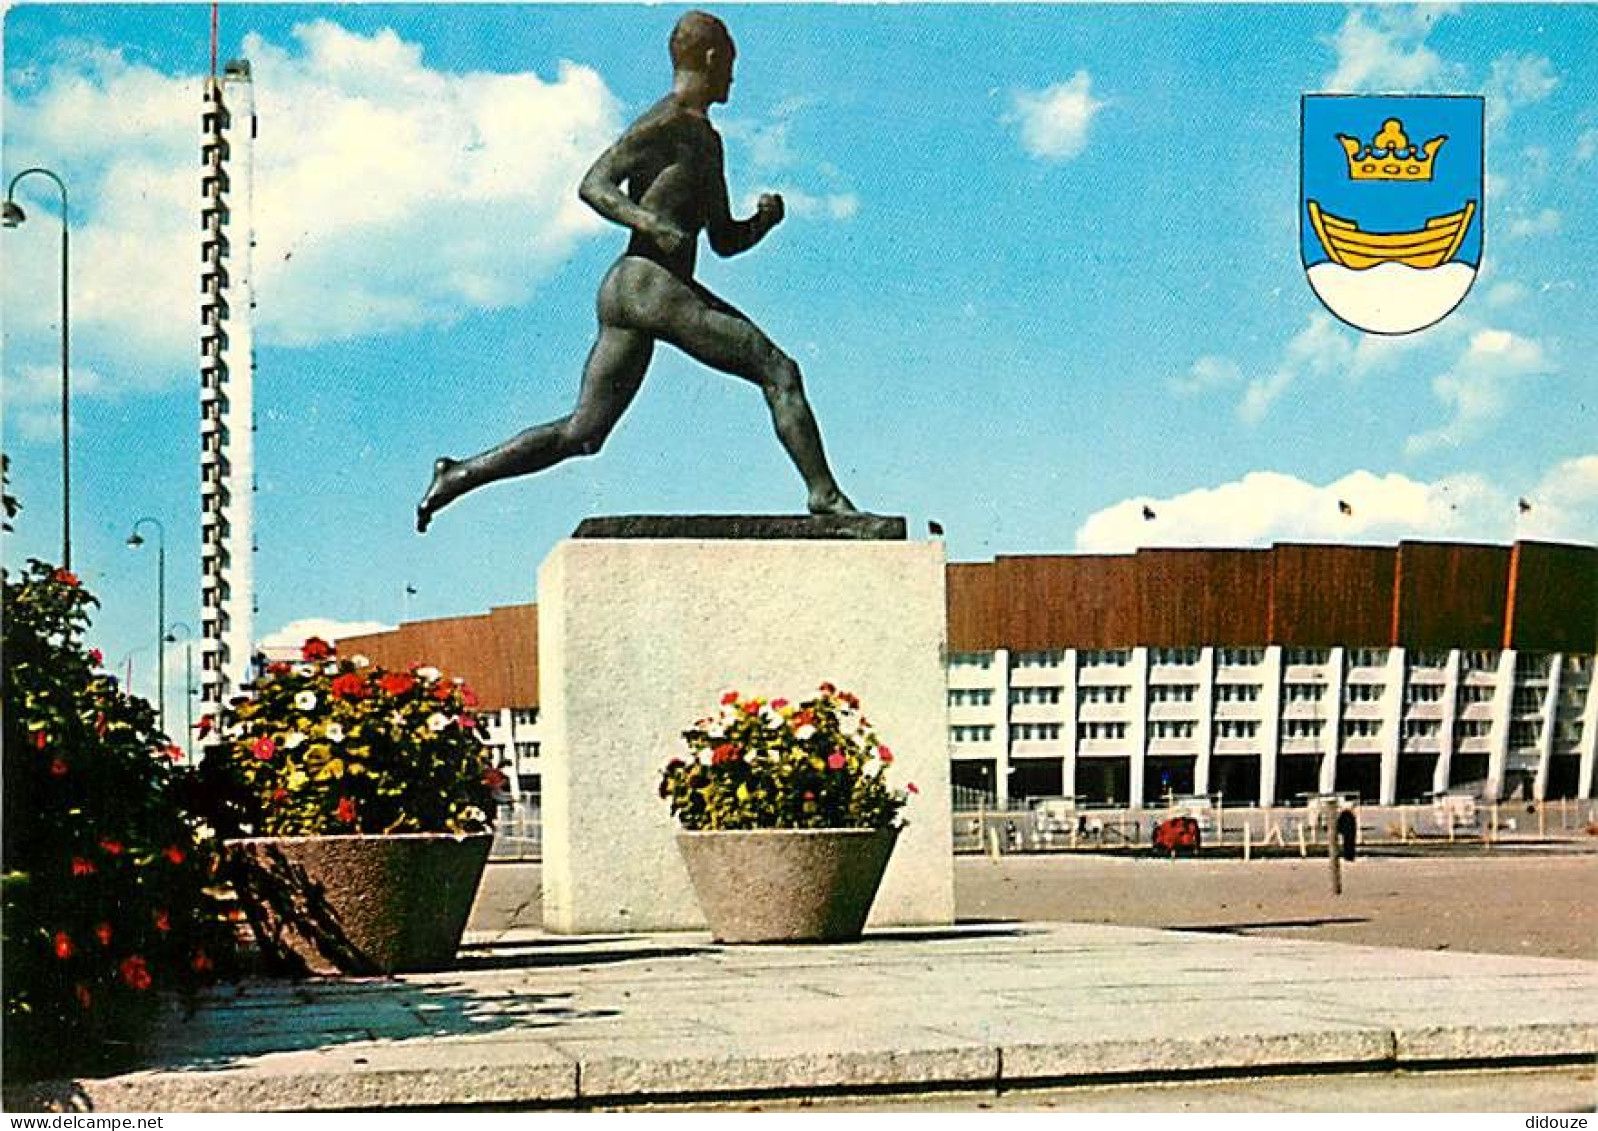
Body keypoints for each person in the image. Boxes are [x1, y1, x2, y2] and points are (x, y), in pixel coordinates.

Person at [417, 10, 857, 533]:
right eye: (731, 64)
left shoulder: (706, 140)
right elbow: (594, 183)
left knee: (584, 433)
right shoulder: (665, 121)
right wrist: (649, 220)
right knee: (778, 371)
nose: (734, 77)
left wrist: (762, 221)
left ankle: (459, 474)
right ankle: (825, 496)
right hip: (652, 285)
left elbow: (722, 241)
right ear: (713, 59)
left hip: (630, 290)